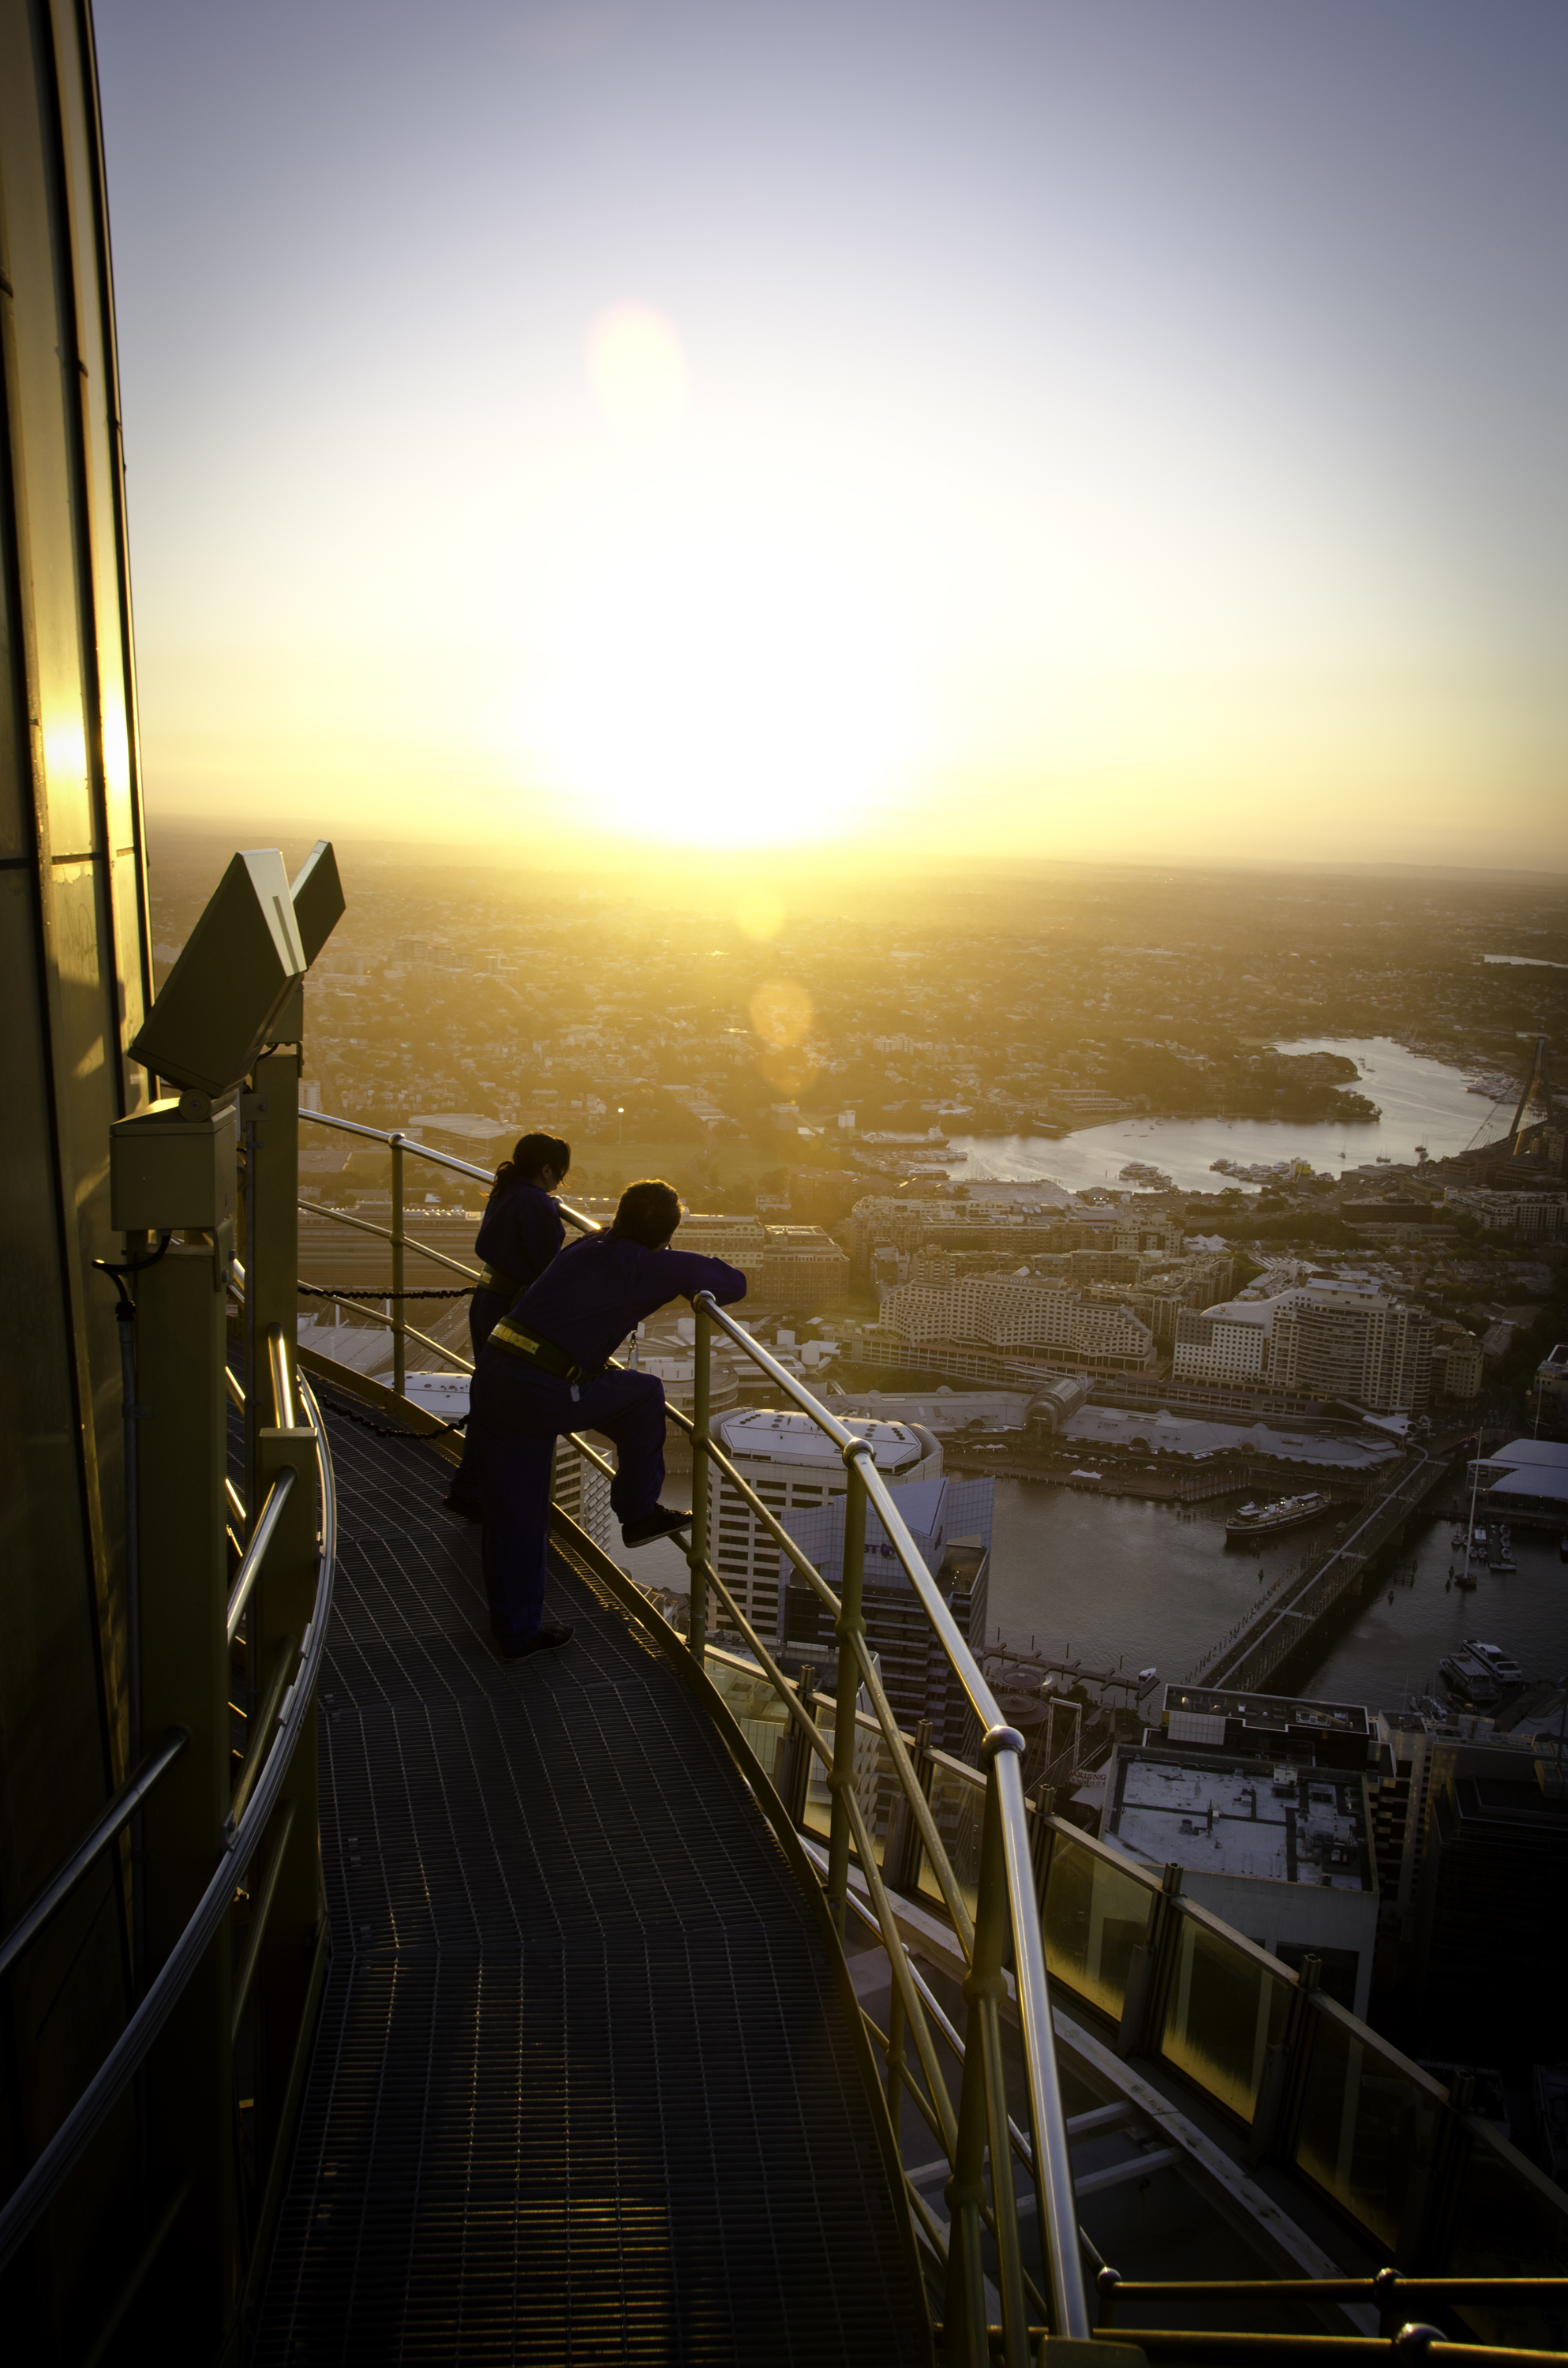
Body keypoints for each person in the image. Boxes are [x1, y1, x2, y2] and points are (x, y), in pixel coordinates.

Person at [463, 1178, 747, 1659]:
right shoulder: (644, 1265)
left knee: (511, 1514)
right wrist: (674, 1265)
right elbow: (733, 1283)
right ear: (665, 1234)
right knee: (644, 1395)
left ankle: (516, 1631)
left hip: (496, 1373)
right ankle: (637, 1512)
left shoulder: (589, 1244)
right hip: (539, 1391)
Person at [444, 1131, 570, 1517]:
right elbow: (545, 1266)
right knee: (507, 1402)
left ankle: (474, 1485)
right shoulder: (535, 1205)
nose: (561, 1180)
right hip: (513, 1311)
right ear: (548, 1169)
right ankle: (481, 1490)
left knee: (488, 1396)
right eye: (561, 1172)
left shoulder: (506, 1193)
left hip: (488, 1299)